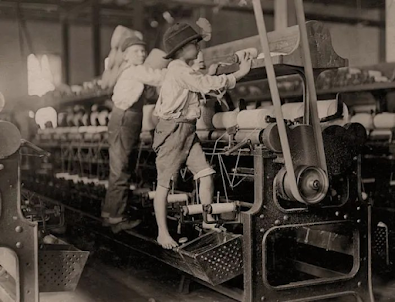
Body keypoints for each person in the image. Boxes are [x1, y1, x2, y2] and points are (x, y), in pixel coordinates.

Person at [152, 23, 252, 249]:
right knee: (164, 185)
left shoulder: (183, 70)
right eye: (194, 44)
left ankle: (208, 221)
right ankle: (162, 233)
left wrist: (214, 73)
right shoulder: (179, 69)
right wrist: (240, 73)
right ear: (181, 49)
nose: (198, 48)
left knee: (206, 174)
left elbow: (202, 85)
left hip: (187, 130)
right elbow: (205, 84)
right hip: (173, 131)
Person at [102, 36, 167, 233]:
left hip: (124, 119)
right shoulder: (135, 70)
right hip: (125, 120)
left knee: (120, 168)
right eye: (136, 51)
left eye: (142, 51)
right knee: (121, 169)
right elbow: (159, 77)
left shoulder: (129, 71)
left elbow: (149, 94)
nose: (141, 54)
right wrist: (180, 70)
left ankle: (110, 214)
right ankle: (117, 219)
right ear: (126, 55)